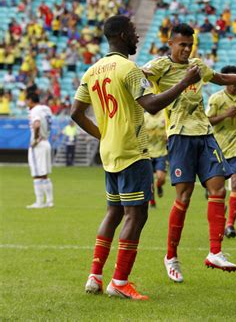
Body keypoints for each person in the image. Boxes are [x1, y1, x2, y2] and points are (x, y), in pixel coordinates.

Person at [71, 15, 201, 301]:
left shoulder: (92, 70)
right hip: (133, 151)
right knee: (136, 215)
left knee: (113, 212)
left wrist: (103, 135)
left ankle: (95, 275)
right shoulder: (129, 69)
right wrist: (184, 82)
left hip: (109, 152)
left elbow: (76, 113)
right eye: (132, 32)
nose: (137, 36)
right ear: (120, 35)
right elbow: (152, 105)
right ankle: (119, 281)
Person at [142, 23, 236, 282]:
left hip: (205, 135)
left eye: (189, 45)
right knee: (184, 195)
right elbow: (139, 77)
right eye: (181, 44)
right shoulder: (160, 66)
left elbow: (224, 78)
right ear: (170, 43)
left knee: (217, 189)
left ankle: (215, 251)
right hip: (180, 136)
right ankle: (171, 256)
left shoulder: (197, 65)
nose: (186, 49)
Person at [206, 65, 236, 238]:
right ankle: (220, 221)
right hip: (219, 148)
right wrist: (225, 115)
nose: (234, 85)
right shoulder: (216, 99)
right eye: (231, 81)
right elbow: (208, 121)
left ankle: (230, 224)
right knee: (218, 192)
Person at [26, 92, 54, 209]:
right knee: (44, 175)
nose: (27, 103)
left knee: (37, 174)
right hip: (46, 141)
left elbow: (36, 124)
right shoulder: (46, 109)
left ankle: (39, 202)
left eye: (27, 101)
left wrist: (36, 139)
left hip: (39, 144)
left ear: (31, 100)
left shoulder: (35, 110)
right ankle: (49, 201)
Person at [144, 110, 168, 208]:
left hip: (161, 152)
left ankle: (159, 185)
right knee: (149, 180)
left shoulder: (164, 114)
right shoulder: (144, 117)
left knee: (161, 178)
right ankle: (152, 201)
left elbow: (170, 127)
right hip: (148, 153)